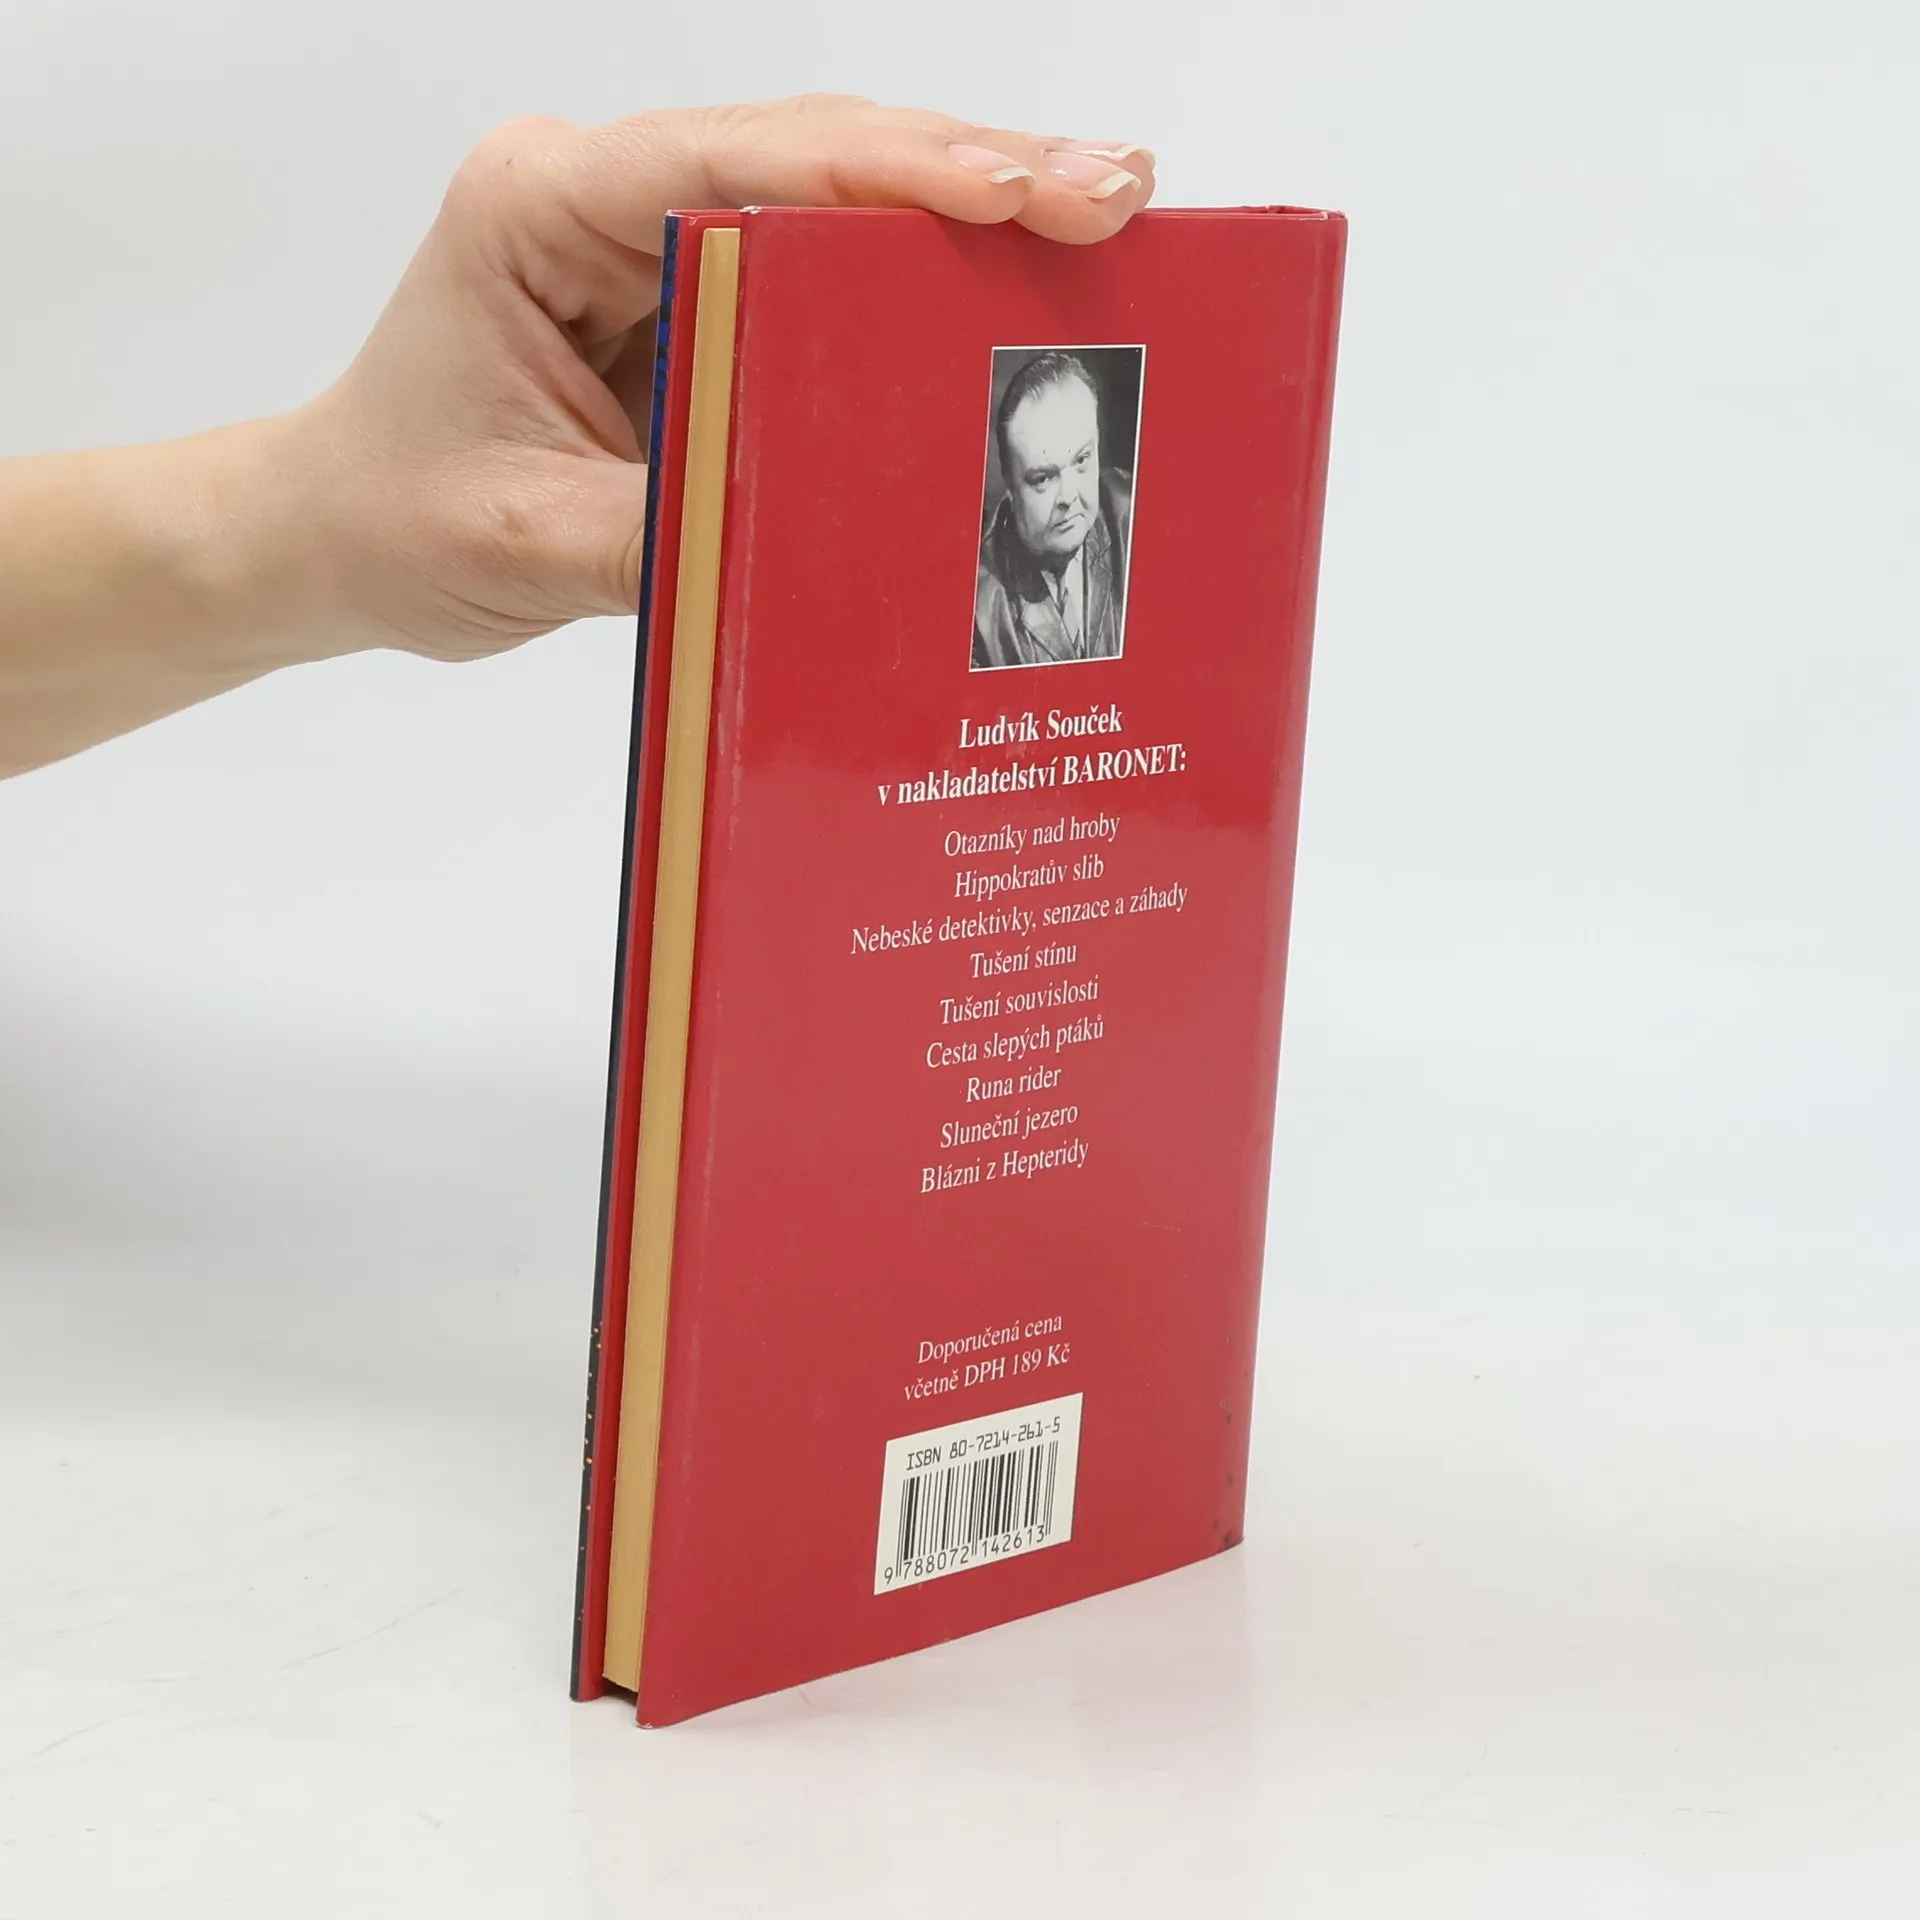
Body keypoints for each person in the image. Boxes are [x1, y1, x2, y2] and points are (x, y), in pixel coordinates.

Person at [0, 98, 1155, 780]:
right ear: (1003, 485)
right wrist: (313, 528)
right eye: (1037, 473)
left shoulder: (1136, 539)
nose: (1063, 493)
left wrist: (303, 530)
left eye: (1076, 465)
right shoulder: (988, 587)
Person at [972, 351, 1133, 670]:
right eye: (1043, 478)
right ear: (1010, 485)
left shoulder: (1136, 515)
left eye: (1082, 460)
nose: (1069, 496)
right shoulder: (976, 606)